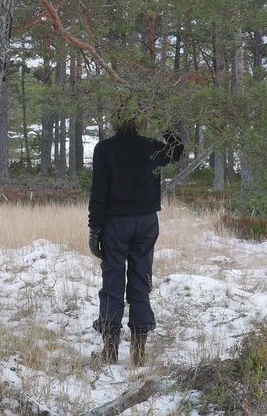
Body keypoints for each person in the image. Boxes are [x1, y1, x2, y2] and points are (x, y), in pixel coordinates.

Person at [88, 115, 183, 366]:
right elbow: (177, 151)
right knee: (141, 282)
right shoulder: (151, 147)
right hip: (147, 221)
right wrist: (162, 119)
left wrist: (94, 229)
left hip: (116, 223)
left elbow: (99, 191)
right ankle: (139, 354)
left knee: (112, 282)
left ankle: (110, 352)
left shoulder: (105, 149)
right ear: (140, 121)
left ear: (115, 122)